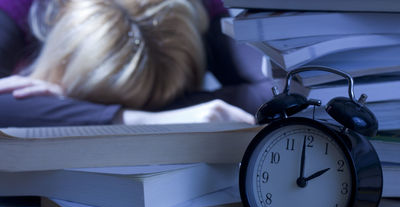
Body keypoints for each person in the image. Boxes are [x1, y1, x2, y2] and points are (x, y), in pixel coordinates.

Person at [0, 0, 273, 127]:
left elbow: (288, 86)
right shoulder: (19, 7)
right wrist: (149, 121)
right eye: (93, 104)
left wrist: (72, 112)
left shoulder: (201, 10)